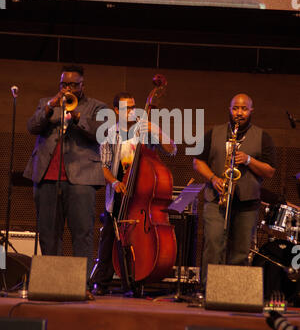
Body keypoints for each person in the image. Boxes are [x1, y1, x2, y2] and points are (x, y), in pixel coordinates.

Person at [24, 65, 107, 280]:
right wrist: (51, 106)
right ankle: (52, 282)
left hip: (82, 178)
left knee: (82, 234)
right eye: (64, 84)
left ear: (82, 85)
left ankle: (81, 285)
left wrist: (77, 116)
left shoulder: (97, 107)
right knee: (49, 235)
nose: (67, 88)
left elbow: (100, 133)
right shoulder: (46, 103)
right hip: (47, 177)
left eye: (73, 84)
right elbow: (32, 126)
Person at [92, 91, 177, 295]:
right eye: (126, 108)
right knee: (110, 238)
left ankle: (135, 282)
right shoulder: (109, 133)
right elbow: (103, 165)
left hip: (142, 194)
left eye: (132, 106)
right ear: (116, 111)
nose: (131, 111)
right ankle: (101, 283)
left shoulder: (147, 129)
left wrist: (158, 133)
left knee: (137, 239)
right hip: (120, 192)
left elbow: (172, 149)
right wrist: (113, 183)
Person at [193, 93, 277, 292]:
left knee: (240, 251)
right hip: (217, 199)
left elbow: (270, 171)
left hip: (247, 203)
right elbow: (197, 161)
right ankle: (209, 290)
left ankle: (234, 293)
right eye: (236, 108)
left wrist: (248, 160)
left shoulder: (263, 136)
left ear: (251, 111)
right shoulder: (214, 132)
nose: (240, 113)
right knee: (214, 244)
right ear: (229, 109)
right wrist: (214, 179)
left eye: (244, 109)